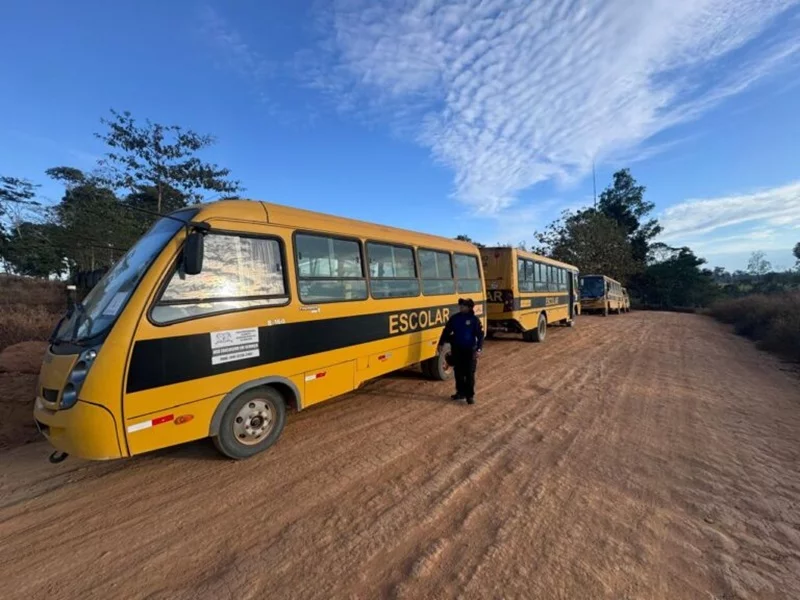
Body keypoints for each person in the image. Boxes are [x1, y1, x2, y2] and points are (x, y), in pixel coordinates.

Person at [438, 298, 484, 405]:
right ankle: (460, 392)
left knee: (469, 374)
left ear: (469, 307)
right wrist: (441, 343)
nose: (461, 308)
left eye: (463, 306)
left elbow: (480, 335)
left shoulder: (474, 320)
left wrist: (479, 349)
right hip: (457, 349)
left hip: (470, 351)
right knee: (458, 372)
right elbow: (446, 331)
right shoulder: (455, 319)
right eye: (460, 306)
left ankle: (470, 396)